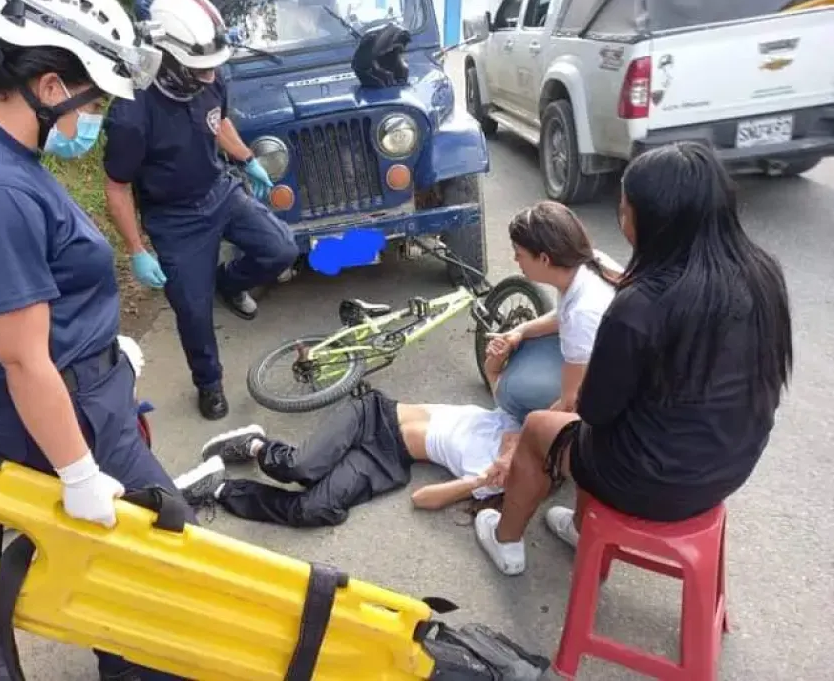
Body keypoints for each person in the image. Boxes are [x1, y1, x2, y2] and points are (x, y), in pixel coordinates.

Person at [0, 0, 196, 678]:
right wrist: (77, 471)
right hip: (64, 414)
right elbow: (23, 359)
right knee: (152, 592)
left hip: (83, 394)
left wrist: (102, 344)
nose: (93, 117)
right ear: (46, 86)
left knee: (130, 585)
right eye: (91, 100)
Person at [473, 142, 793, 576]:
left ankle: (505, 541)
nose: (621, 219)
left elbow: (594, 410)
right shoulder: (763, 273)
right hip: (732, 466)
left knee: (538, 427)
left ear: (655, 221)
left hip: (650, 483)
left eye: (625, 210)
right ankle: (586, 530)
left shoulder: (640, 304)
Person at [103, 0, 299, 421]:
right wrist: (137, 250)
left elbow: (218, 121)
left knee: (281, 249)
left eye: (215, 66)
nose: (212, 75)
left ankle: (227, 283)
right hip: (173, 220)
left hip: (219, 192)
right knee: (192, 311)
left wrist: (246, 159)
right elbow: (116, 187)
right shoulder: (132, 113)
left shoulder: (210, 75)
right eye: (202, 67)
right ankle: (208, 383)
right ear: (167, 56)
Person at [175, 388, 523, 528]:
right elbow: (498, 375)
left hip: (388, 460)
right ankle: (253, 445)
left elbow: (422, 499)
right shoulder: (514, 421)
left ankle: (220, 488)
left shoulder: (490, 479)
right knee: (300, 467)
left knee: (314, 510)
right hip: (373, 416)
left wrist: (479, 481)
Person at [483, 201, 622, 421]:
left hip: (614, 389)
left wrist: (536, 433)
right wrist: (519, 331)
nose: (515, 260)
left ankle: (509, 407)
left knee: (511, 390)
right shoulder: (590, 262)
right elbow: (562, 316)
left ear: (544, 259)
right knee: (526, 343)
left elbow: (571, 403)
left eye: (519, 254)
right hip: (602, 360)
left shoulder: (583, 313)